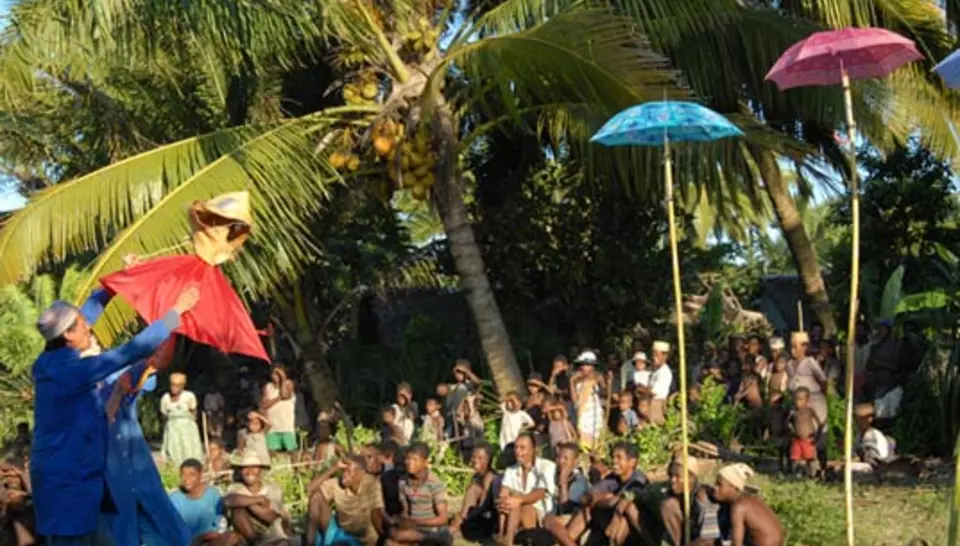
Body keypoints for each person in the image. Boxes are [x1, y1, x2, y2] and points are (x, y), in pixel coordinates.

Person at [31, 283, 198, 544]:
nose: (89, 328)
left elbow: (83, 317)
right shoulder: (74, 371)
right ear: (68, 335)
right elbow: (130, 351)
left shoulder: (51, 360)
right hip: (68, 483)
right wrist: (176, 311)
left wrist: (112, 287)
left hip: (75, 477)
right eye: (82, 325)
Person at [100, 349, 190, 546]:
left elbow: (148, 366)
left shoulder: (123, 370)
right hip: (112, 460)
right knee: (120, 519)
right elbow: (102, 422)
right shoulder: (84, 382)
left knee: (157, 512)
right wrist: (117, 393)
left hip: (132, 456)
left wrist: (171, 324)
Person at [546, 442, 647, 546]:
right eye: (613, 457)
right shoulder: (612, 478)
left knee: (621, 519)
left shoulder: (638, 479)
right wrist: (605, 497)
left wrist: (606, 499)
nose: (614, 461)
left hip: (633, 526)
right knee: (582, 511)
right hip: (606, 517)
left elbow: (625, 500)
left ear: (632, 462)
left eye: (619, 458)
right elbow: (586, 497)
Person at [306, 456, 384, 546]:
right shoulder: (338, 483)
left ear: (360, 474)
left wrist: (383, 538)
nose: (344, 475)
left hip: (362, 541)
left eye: (349, 472)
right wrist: (334, 468)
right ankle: (309, 543)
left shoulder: (371, 483)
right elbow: (309, 489)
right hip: (340, 532)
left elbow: (376, 514)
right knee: (316, 497)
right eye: (343, 471)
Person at [385, 442, 451, 546]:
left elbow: (443, 519)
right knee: (390, 540)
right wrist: (401, 521)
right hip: (413, 528)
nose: (409, 462)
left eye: (415, 459)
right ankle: (428, 539)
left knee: (398, 535)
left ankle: (434, 538)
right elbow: (406, 510)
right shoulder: (403, 482)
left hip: (431, 528)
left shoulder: (435, 483)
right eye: (408, 459)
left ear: (425, 462)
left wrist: (414, 522)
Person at [496, 433, 556, 546]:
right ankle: (504, 535)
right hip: (515, 514)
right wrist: (506, 500)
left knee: (517, 502)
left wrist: (519, 499)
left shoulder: (547, 466)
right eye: (516, 447)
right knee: (508, 501)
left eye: (522, 448)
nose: (518, 451)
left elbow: (540, 493)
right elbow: (503, 494)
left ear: (533, 449)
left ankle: (508, 540)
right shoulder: (511, 470)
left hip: (542, 516)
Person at [223, 452, 289, 545]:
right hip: (246, 539)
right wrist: (258, 500)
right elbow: (227, 501)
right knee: (238, 510)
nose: (249, 471)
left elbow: (270, 517)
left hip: (273, 536)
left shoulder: (273, 489)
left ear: (260, 470)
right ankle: (255, 541)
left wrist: (244, 503)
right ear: (241, 471)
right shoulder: (236, 487)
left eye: (254, 467)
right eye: (245, 468)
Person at [714, 464, 784, 546]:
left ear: (734, 487)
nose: (715, 488)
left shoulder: (738, 507)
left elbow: (736, 543)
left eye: (719, 484)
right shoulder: (749, 499)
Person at [660, 455, 721, 546]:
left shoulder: (703, 497)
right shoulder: (673, 495)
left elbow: (708, 539)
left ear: (691, 478)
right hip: (687, 541)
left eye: (677, 476)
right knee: (668, 505)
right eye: (671, 475)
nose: (672, 480)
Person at [449, 442, 499, 542]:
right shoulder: (477, 476)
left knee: (473, 489)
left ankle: (457, 526)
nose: (475, 460)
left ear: (488, 460)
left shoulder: (489, 477)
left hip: (490, 517)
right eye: (474, 457)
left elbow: (483, 506)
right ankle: (457, 525)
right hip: (478, 515)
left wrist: (464, 518)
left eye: (480, 458)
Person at [169, 458, 226, 544]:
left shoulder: (212, 494)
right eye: (183, 474)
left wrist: (216, 533)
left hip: (212, 541)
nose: (186, 478)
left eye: (192, 474)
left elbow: (221, 519)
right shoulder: (174, 498)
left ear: (200, 475)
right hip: (189, 542)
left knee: (232, 537)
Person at [160, 372, 205, 466]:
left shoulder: (189, 396)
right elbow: (164, 414)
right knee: (173, 449)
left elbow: (194, 412)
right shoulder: (165, 398)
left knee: (188, 448)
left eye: (177, 385)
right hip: (172, 430)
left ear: (182, 386)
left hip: (187, 429)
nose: (174, 388)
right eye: (172, 385)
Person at [571, 351, 605, 451]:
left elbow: (604, 391)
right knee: (583, 437)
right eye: (583, 364)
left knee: (597, 436)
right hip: (582, 412)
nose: (584, 367)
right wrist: (571, 382)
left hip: (594, 410)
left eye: (588, 365)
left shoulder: (597, 376)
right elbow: (575, 400)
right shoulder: (577, 379)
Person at [261, 368, 298, 455]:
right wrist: (278, 398)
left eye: (278, 374)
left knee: (291, 452)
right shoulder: (268, 386)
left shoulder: (289, 383)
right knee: (273, 454)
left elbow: (285, 395)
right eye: (274, 373)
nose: (276, 376)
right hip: (272, 426)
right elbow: (264, 405)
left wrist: (283, 378)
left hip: (286, 426)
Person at [788, 387, 821, 477]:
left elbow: (820, 424)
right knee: (794, 458)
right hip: (797, 440)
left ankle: (812, 475)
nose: (797, 402)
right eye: (796, 399)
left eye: (801, 400)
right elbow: (787, 423)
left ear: (807, 400)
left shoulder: (809, 411)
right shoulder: (793, 412)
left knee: (810, 459)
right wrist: (791, 429)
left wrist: (817, 437)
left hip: (809, 440)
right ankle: (795, 475)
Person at [639, 341, 673, 426]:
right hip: (648, 402)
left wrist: (641, 389)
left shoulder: (665, 372)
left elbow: (653, 392)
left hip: (657, 404)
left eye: (657, 355)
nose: (654, 357)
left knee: (654, 426)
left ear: (665, 356)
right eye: (653, 355)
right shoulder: (654, 370)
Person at [1, 460, 34, 546]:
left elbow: (35, 494)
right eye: (7, 477)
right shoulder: (5, 491)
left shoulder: (29, 495)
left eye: (15, 477)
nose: (11, 480)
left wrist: (22, 474)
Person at [853, 403, 895, 473]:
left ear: (869, 419)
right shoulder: (859, 434)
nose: (856, 422)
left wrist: (854, 459)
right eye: (856, 419)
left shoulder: (873, 436)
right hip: (866, 465)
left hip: (876, 468)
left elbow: (872, 459)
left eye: (860, 419)